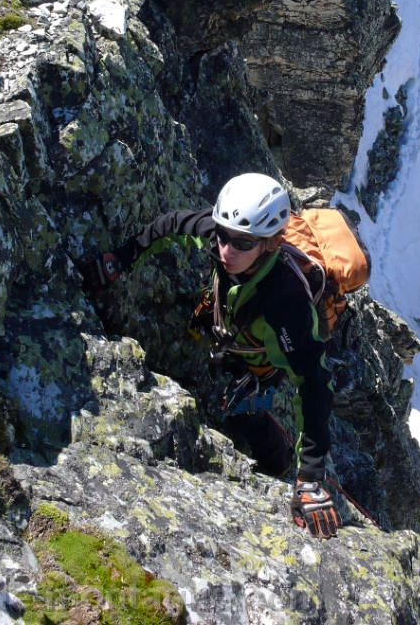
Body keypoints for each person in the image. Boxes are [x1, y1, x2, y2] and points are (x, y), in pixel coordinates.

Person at [79, 172, 342, 539]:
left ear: (270, 244)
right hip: (236, 329)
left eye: (242, 242)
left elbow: (313, 384)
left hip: (263, 359)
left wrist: (310, 476)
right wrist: (119, 259)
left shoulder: (289, 305)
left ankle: (276, 461)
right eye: (221, 236)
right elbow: (171, 224)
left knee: (243, 414)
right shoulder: (227, 230)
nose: (225, 250)